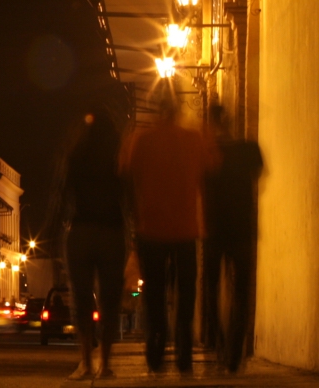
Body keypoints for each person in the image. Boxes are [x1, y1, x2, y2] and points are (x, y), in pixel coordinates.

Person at [119, 84, 219, 374]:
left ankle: (156, 346)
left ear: (155, 109)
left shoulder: (142, 140)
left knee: (155, 295)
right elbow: (212, 171)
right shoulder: (193, 139)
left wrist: (134, 216)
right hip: (186, 229)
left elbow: (126, 176)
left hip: (151, 229)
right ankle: (185, 352)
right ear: (177, 109)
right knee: (187, 292)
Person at [60, 106, 128, 381]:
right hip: (112, 231)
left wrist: (59, 228)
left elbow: (62, 194)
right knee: (110, 300)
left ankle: (85, 362)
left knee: (82, 299)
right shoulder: (119, 158)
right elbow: (129, 196)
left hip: (81, 231)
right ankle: (105, 364)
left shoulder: (75, 155)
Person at [204, 104, 263, 373]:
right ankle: (234, 353)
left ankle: (220, 343)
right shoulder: (249, 149)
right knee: (241, 293)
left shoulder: (207, 152)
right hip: (241, 230)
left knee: (211, 290)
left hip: (214, 231)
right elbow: (259, 175)